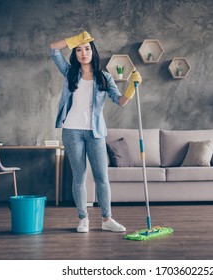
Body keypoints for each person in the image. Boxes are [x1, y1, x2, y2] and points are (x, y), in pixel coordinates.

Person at [50, 31, 142, 233]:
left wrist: (131, 87)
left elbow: (120, 101)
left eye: (87, 48)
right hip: (72, 132)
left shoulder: (104, 77)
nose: (84, 53)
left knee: (102, 177)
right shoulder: (69, 73)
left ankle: (107, 219)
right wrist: (74, 39)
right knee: (79, 177)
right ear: (75, 54)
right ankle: (83, 218)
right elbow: (54, 50)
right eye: (79, 49)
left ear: (93, 51)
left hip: (96, 133)